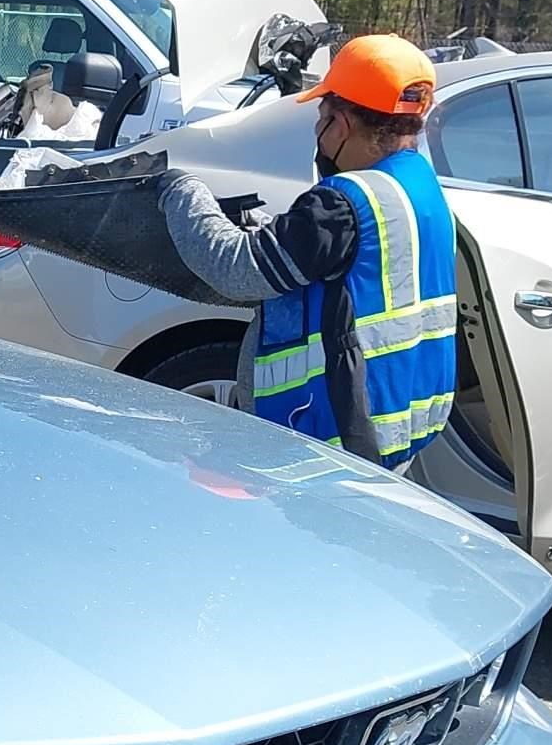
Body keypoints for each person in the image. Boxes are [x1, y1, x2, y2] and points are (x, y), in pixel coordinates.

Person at [156, 34, 457, 468]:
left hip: (331, 444)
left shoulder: (343, 204)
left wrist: (182, 192)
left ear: (343, 123)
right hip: (396, 428)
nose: (318, 131)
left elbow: (236, 269)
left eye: (322, 117)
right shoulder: (418, 185)